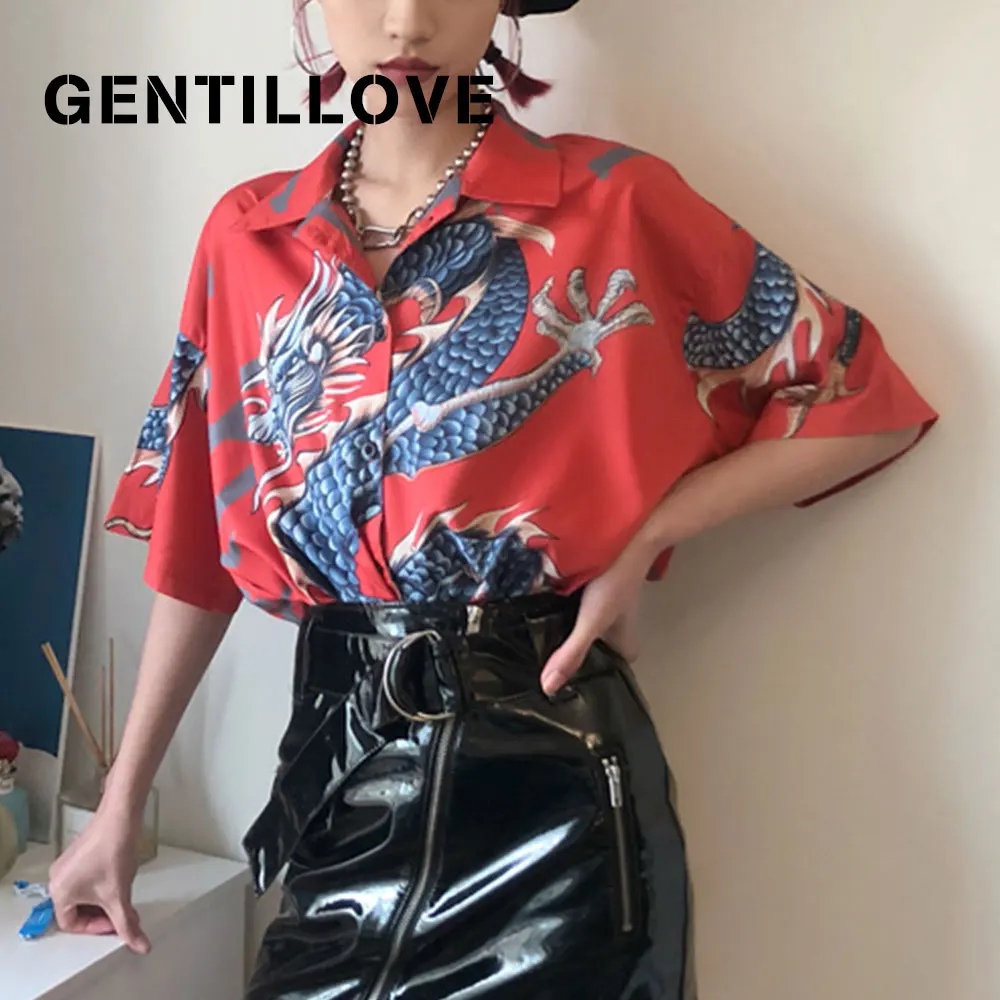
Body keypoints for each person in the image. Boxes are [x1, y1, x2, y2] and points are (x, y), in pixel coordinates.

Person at [47, 0, 939, 997]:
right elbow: (196, 545)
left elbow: (863, 401)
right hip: (339, 782)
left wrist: (650, 534)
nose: (407, 20)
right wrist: (119, 806)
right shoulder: (247, 236)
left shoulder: (614, 201)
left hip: (554, 798)